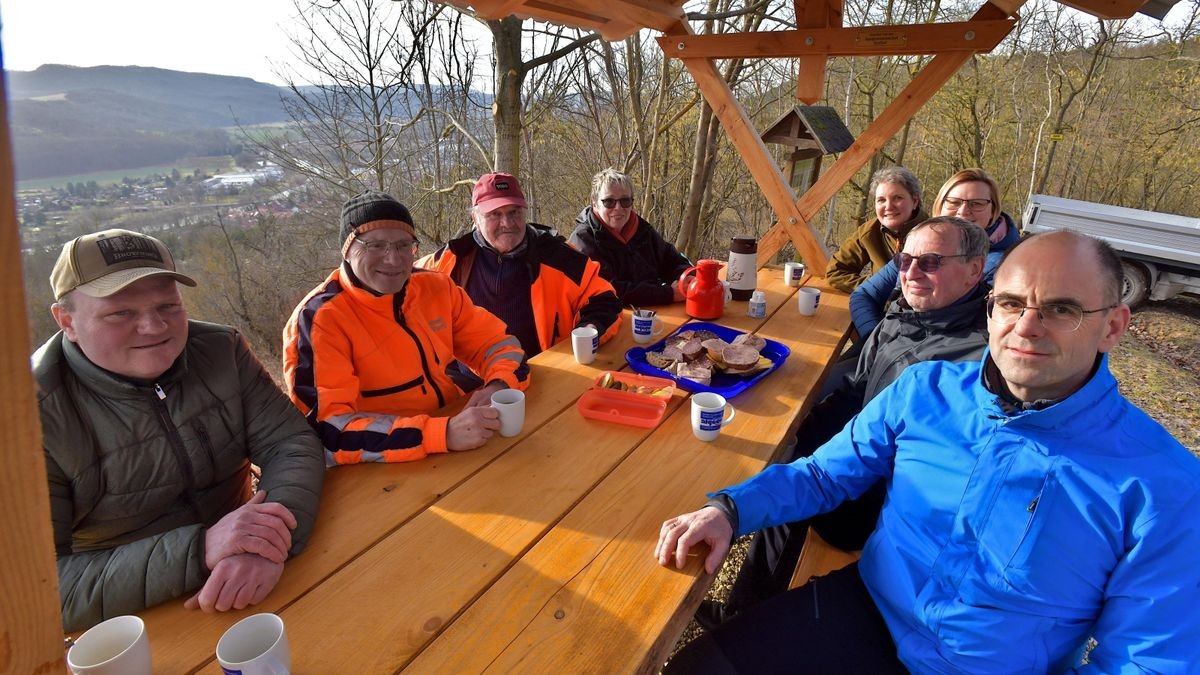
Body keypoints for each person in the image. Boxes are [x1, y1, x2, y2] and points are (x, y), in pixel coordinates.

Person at [657, 230, 1200, 672]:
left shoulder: (1161, 484)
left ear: (1113, 326)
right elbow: (825, 476)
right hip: (869, 610)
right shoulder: (928, 390)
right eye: (1011, 303)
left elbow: (1149, 660)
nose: (1026, 326)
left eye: (1061, 309)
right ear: (989, 311)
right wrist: (729, 508)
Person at [703, 216, 991, 626]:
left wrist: (802, 463)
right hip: (859, 461)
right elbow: (854, 389)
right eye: (905, 260)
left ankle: (744, 618)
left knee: (791, 492)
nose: (911, 273)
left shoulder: (974, 360)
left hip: (886, 505)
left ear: (975, 269)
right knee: (776, 459)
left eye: (930, 262)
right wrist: (796, 439)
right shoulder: (904, 317)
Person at [36, 229, 325, 632]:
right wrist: (201, 549)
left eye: (168, 306)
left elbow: (289, 442)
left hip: (265, 573)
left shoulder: (220, 351)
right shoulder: (29, 418)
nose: (154, 327)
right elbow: (36, 589)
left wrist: (261, 544)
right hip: (131, 621)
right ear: (67, 320)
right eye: (121, 313)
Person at [283, 191, 530, 465]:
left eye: (403, 245)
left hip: (455, 439)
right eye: (375, 246)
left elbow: (501, 345)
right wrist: (439, 434)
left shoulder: (436, 288)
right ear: (347, 250)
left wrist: (498, 383)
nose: (393, 259)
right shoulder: (320, 320)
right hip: (375, 467)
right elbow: (329, 433)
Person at [418, 172, 622, 358]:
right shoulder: (451, 261)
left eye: (514, 212)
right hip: (468, 387)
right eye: (495, 214)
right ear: (475, 218)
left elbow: (604, 299)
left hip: (543, 375)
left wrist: (588, 329)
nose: (507, 223)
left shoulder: (558, 256)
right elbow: (398, 289)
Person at [849, 167, 1021, 337]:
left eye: (976, 204)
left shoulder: (1008, 268)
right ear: (940, 206)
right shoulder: (919, 245)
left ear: (993, 211)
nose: (962, 211)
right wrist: (873, 338)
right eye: (953, 202)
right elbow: (864, 295)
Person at [567, 168, 692, 306]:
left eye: (625, 201)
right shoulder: (582, 241)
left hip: (656, 311)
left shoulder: (642, 229)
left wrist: (686, 278)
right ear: (595, 202)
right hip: (610, 317)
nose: (618, 208)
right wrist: (667, 294)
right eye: (609, 202)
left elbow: (672, 259)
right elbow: (609, 289)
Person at [824, 166, 928, 293]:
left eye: (898, 198)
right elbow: (836, 271)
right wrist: (877, 286)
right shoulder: (869, 232)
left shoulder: (934, 233)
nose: (888, 206)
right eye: (881, 200)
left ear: (915, 201)